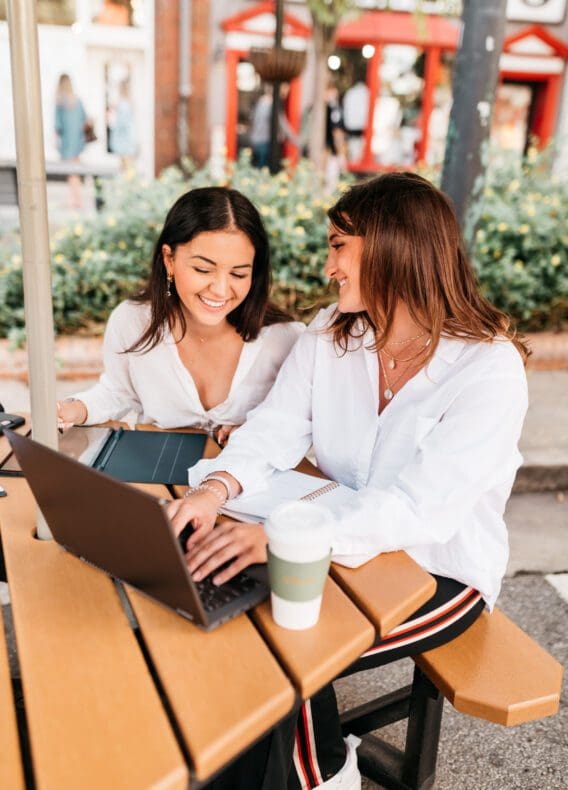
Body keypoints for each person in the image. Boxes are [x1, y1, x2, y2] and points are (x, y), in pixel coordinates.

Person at [167, 172, 529, 788]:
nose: (329, 266)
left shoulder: (487, 371)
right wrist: (215, 489)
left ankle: (325, 773)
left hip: (437, 572)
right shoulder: (334, 333)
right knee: (241, 621)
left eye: (340, 246)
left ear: (392, 250)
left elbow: (421, 510)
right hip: (339, 545)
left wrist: (287, 541)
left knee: (288, 648)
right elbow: (274, 429)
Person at [57, 187, 304, 443]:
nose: (220, 290)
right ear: (169, 259)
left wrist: (259, 433)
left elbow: (300, 424)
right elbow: (118, 392)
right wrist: (76, 408)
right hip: (155, 476)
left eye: (238, 274)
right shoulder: (132, 321)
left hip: (247, 481)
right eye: (203, 269)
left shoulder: (287, 340)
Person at [54, 73, 87, 209]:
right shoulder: (77, 101)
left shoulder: (60, 102)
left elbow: (57, 125)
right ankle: (77, 199)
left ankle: (73, 200)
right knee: (76, 172)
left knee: (71, 172)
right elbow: (84, 119)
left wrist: (56, 141)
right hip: (78, 141)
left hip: (67, 143)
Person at [109, 79, 137, 171]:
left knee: (125, 164)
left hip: (124, 135)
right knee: (128, 164)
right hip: (127, 135)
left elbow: (122, 121)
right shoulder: (129, 102)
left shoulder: (121, 103)